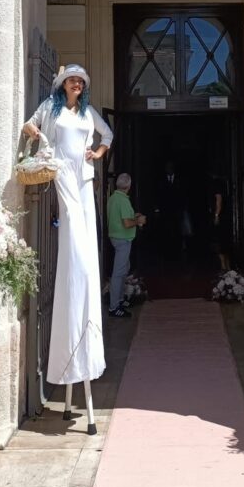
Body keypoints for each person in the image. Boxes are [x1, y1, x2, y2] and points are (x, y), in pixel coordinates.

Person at [23, 64, 113, 386]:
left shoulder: (88, 113)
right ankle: (79, 270)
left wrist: (98, 153)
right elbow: (29, 125)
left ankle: (86, 276)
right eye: (72, 80)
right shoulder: (50, 106)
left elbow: (109, 134)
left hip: (84, 176)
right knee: (73, 227)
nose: (76, 84)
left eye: (80, 81)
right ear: (62, 84)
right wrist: (34, 132)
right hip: (61, 173)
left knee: (85, 234)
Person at [106, 172, 146, 318]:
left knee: (124, 269)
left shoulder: (113, 198)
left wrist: (134, 216)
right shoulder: (123, 200)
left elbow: (119, 218)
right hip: (122, 238)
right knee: (119, 273)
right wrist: (138, 221)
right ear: (128, 186)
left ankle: (120, 299)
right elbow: (126, 223)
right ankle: (114, 306)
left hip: (116, 237)